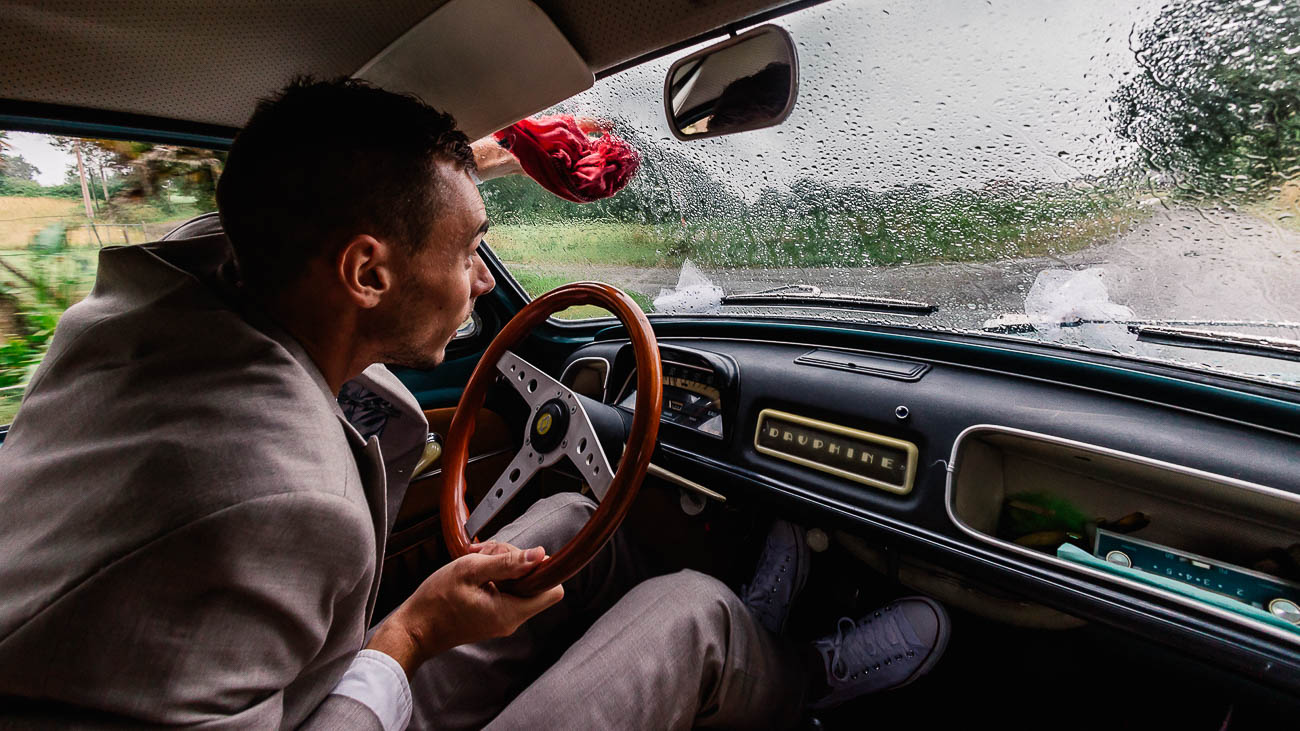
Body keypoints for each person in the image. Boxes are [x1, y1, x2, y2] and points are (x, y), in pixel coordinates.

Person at [0, 78, 948, 729]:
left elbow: (272, 200)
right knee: (689, 611)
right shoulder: (272, 500)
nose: (473, 282)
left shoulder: (145, 305)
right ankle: (796, 678)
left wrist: (464, 167)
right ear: (367, 269)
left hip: (295, 693)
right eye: (467, 252)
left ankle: (758, 643)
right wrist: (409, 636)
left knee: (579, 517)